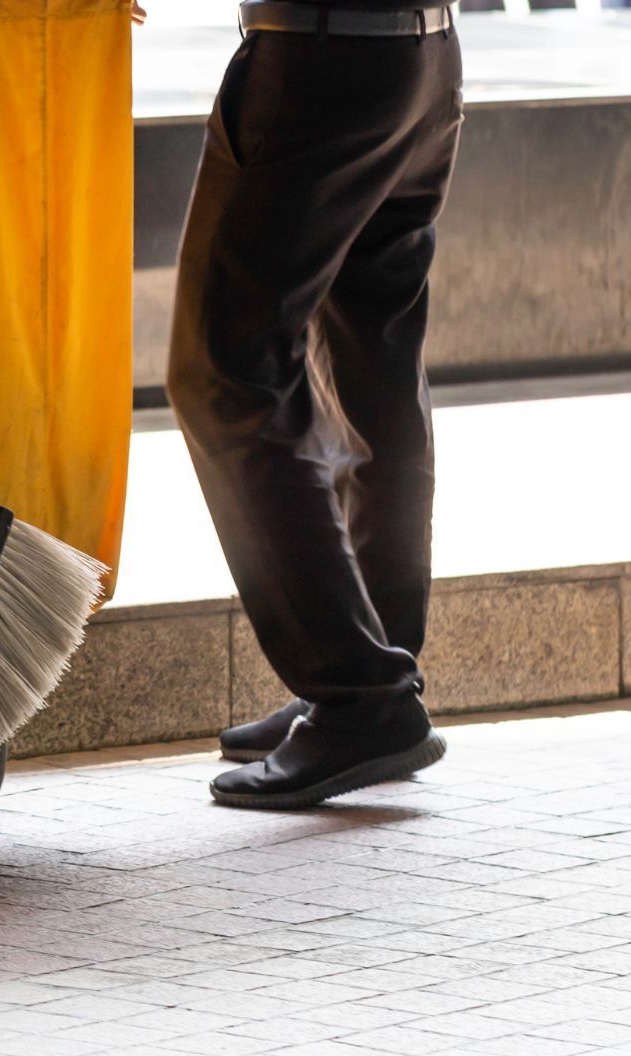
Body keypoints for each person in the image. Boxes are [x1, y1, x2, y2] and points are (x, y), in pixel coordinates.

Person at [164, 0, 464, 808]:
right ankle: (377, 671)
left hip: (316, 59)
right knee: (379, 367)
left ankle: (360, 696)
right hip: (422, 59)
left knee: (223, 375)